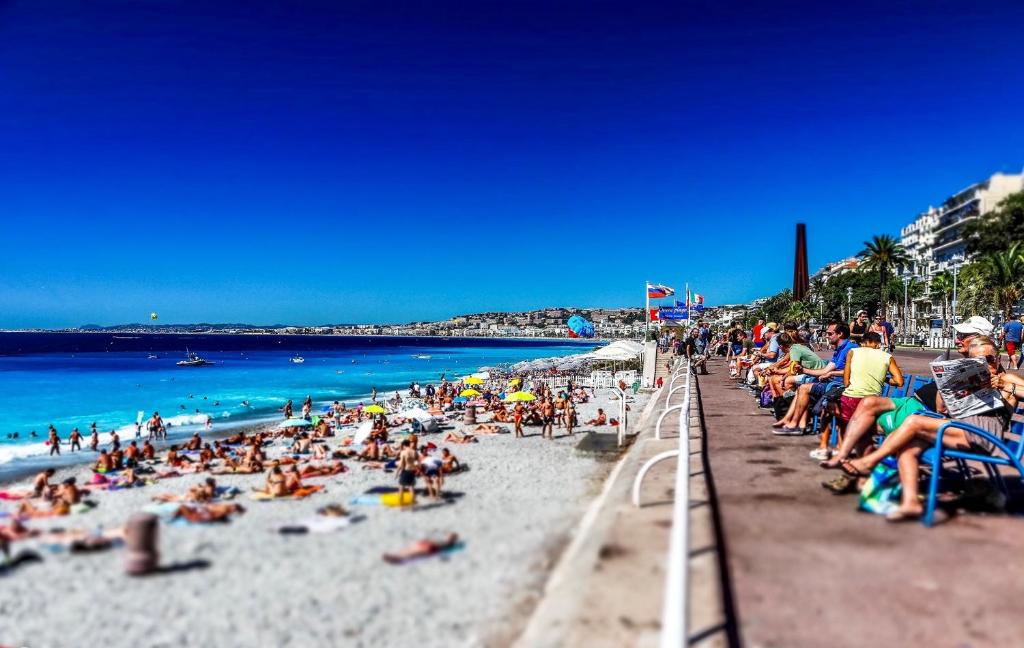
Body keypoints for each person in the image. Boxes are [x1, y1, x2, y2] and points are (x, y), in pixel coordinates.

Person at [841, 337, 1023, 521]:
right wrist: (948, 386)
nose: (985, 364)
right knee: (908, 447)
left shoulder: (1005, 378)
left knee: (914, 421)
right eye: (977, 361)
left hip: (985, 432)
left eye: (989, 359)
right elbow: (940, 410)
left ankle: (870, 461)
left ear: (998, 359)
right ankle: (910, 502)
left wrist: (1003, 385)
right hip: (957, 428)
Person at [773, 321, 858, 434]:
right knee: (802, 387)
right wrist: (803, 370)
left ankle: (794, 424)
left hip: (840, 385)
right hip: (832, 382)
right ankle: (798, 424)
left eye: (830, 333)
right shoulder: (839, 349)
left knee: (804, 388)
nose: (827, 336)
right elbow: (825, 370)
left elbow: (854, 371)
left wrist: (832, 374)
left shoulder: (851, 349)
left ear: (840, 334)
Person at [395, 440, 418, 504]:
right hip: (412, 470)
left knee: (401, 487)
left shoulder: (403, 452)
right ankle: (413, 502)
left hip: (406, 470)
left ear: (404, 445)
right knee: (411, 487)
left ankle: (400, 502)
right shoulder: (414, 452)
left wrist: (397, 473)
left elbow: (401, 464)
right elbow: (417, 462)